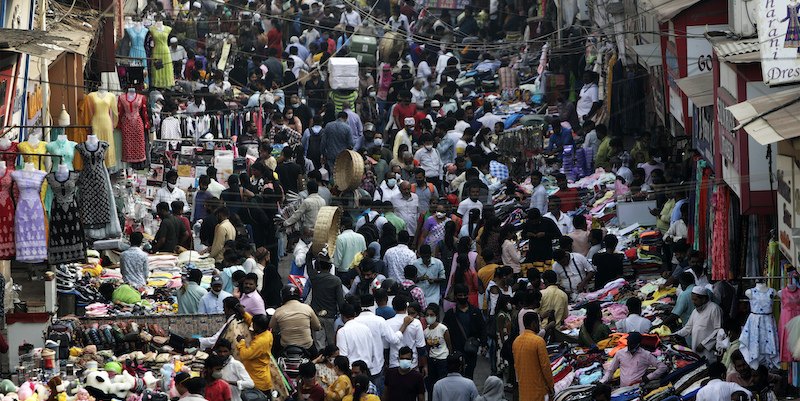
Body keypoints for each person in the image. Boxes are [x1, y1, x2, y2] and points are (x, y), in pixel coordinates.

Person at [443, 284, 487, 379]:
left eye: (464, 295)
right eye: (460, 295)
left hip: (471, 349)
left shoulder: (475, 311)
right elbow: (445, 330)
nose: (463, 298)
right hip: (457, 348)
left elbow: (482, 328)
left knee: (470, 372)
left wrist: (484, 345)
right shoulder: (450, 314)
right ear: (456, 297)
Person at [669, 286, 722, 360]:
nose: (693, 302)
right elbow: (687, 329)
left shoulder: (714, 308)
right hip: (696, 350)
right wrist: (671, 336)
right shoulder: (695, 311)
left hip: (708, 351)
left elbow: (718, 330)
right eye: (692, 300)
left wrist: (704, 344)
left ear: (703, 299)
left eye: (695, 300)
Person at [599, 331, 667, 386]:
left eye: (632, 343)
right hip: (623, 388)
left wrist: (649, 377)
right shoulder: (620, 353)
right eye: (628, 342)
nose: (629, 345)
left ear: (638, 344)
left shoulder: (645, 354)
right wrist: (602, 381)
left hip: (637, 388)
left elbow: (662, 367)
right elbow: (611, 370)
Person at [310, 248, 346, 350]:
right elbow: (340, 301)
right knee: (331, 343)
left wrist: (311, 251)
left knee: (319, 343)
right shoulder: (336, 281)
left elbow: (308, 265)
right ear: (330, 267)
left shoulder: (314, 277)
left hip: (316, 316)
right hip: (330, 316)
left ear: (318, 266)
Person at [514, 312, 554, 401]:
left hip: (523, 389)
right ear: (534, 324)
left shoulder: (516, 341)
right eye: (538, 323)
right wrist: (551, 385)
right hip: (537, 390)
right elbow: (545, 366)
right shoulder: (538, 341)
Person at [270, 285, 321, 350]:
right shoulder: (307, 308)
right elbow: (317, 327)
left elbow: (271, 329)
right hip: (307, 346)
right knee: (316, 358)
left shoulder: (278, 311)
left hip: (286, 347)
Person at [336, 304, 376, 380]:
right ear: (355, 314)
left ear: (342, 316)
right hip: (366, 370)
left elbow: (343, 355)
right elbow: (373, 351)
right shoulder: (366, 329)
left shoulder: (342, 331)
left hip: (353, 372)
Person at [237, 314, 274, 393]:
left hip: (257, 382)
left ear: (257, 326)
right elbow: (254, 322)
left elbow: (245, 355)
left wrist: (241, 341)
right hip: (263, 378)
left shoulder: (259, 342)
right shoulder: (268, 334)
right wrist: (243, 313)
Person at [423, 304, 451, 398]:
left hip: (443, 360)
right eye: (427, 315)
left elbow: (449, 344)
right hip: (432, 360)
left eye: (431, 315)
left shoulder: (443, 328)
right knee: (431, 386)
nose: (429, 317)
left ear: (436, 316)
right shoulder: (426, 331)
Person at [334, 217, 368, 283]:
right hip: (358, 271)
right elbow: (364, 254)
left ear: (343, 227)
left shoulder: (340, 238)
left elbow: (338, 259)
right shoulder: (361, 237)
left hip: (344, 273)